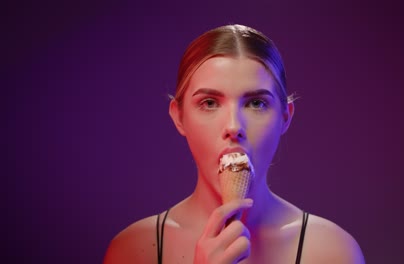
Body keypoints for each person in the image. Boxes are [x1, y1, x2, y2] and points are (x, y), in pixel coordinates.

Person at [104, 24, 365, 264]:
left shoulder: (333, 251)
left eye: (256, 103)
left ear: (285, 117)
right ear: (179, 117)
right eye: (209, 103)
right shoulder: (133, 250)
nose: (234, 127)